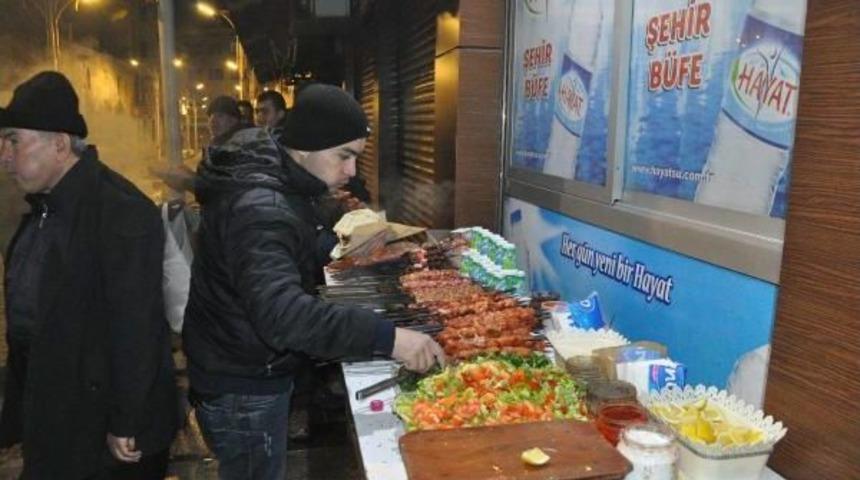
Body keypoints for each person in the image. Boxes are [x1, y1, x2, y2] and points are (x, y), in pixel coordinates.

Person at [183, 83, 444, 479]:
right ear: (306, 146)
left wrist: (337, 248)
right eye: (345, 156)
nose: (352, 170)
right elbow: (283, 316)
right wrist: (389, 338)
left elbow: (288, 247)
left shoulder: (277, 180)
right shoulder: (260, 207)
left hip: (239, 363)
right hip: (243, 383)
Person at [0, 71, 178, 479]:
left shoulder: (119, 211)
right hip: (58, 415)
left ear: (60, 144)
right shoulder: (45, 207)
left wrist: (125, 421)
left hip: (102, 435)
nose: (4, 155)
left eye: (14, 140)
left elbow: (136, 328)